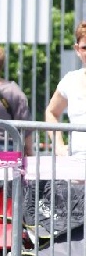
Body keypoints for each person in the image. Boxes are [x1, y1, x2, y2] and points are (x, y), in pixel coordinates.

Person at [46, 21, 86, 157]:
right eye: (84, 47)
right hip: (76, 163)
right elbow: (51, 112)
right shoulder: (71, 80)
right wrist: (59, 147)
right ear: (77, 50)